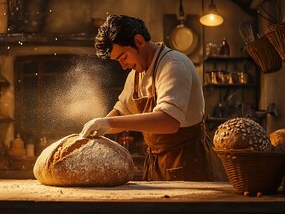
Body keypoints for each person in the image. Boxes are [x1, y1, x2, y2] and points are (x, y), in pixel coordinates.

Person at [80, 14, 225, 182]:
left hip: (188, 161)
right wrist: (98, 128)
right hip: (156, 163)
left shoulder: (173, 65)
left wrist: (109, 123)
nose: (124, 66)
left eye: (124, 57)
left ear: (139, 41)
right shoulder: (136, 75)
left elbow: (169, 121)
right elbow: (121, 112)